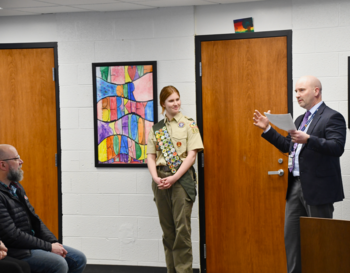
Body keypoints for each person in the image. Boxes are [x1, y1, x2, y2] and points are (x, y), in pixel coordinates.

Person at [253, 75, 346, 273]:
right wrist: (268, 129)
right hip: (295, 186)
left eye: (301, 90)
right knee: (292, 240)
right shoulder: (299, 119)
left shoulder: (332, 116)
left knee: (319, 243)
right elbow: (289, 146)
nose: (297, 95)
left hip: (318, 190)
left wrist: (309, 139)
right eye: (296, 91)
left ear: (316, 91)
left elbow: (337, 147)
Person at [0, 144, 87, 273]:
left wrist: (53, 243)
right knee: (59, 264)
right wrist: (48, 247)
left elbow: (35, 219)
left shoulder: (16, 187)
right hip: (15, 249)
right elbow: (12, 235)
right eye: (17, 158)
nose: (21, 161)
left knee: (78, 258)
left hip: (30, 243)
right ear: (3, 165)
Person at [147, 86, 204, 273]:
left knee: (182, 232)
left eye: (177, 99)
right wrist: (156, 178)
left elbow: (192, 155)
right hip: (161, 181)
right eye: (171, 100)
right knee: (168, 232)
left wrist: (174, 177)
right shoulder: (156, 129)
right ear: (163, 104)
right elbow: (151, 157)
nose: (176, 103)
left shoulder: (189, 124)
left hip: (181, 180)